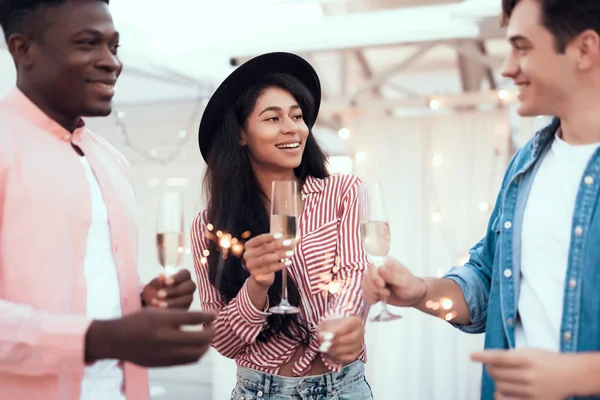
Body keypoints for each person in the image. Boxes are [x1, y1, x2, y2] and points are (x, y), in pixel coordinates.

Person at [362, 0, 600, 399]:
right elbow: (489, 283)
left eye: (522, 47)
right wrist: (422, 292)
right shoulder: (526, 164)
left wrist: (583, 376)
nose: (507, 68)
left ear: (584, 49)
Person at [0, 1, 215, 399]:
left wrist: (143, 299)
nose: (110, 63)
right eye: (87, 44)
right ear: (22, 49)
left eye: (114, 47)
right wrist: (98, 338)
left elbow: (92, 278)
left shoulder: (111, 160)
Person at [192, 52, 373, 399]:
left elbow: (355, 273)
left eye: (297, 115)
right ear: (241, 134)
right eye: (272, 118)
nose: (293, 127)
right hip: (260, 391)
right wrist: (257, 285)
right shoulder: (210, 226)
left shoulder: (342, 192)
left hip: (341, 388)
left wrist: (340, 323)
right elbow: (222, 340)